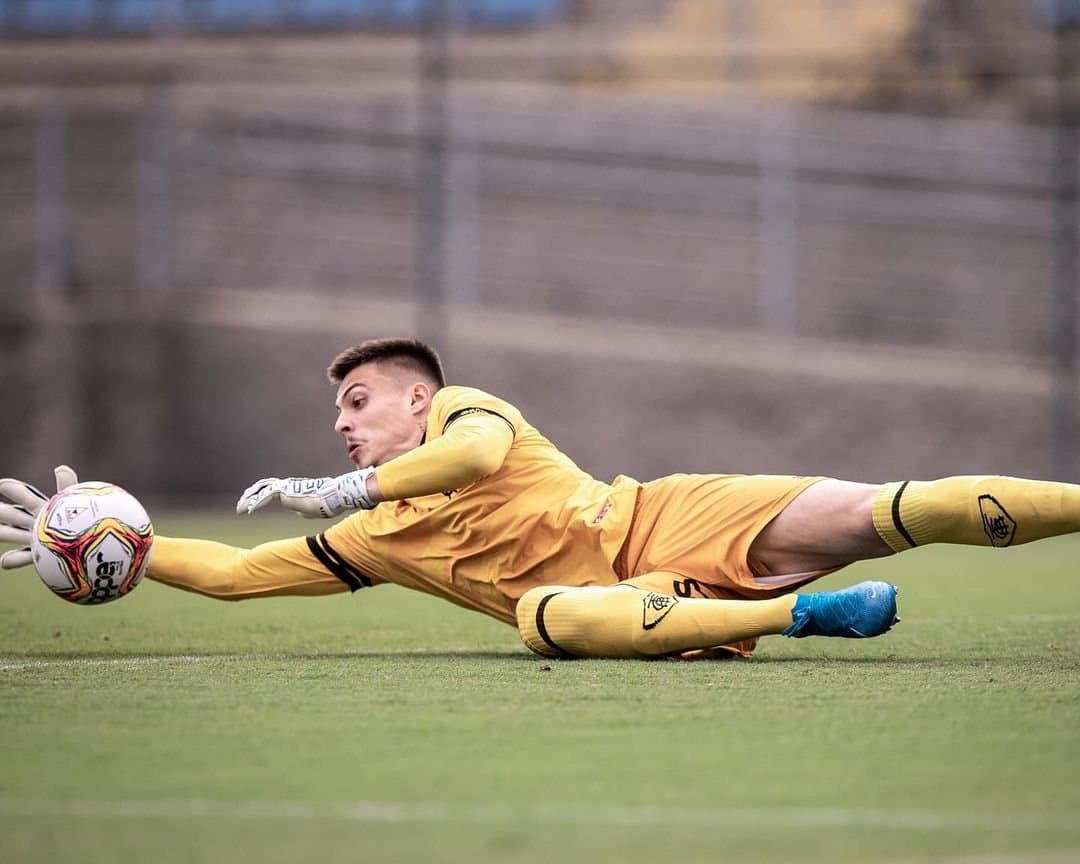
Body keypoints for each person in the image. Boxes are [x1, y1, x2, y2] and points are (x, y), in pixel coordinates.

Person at [1, 337, 1077, 660]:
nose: (343, 418)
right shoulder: (375, 539)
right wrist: (121, 540)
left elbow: (465, 464)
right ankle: (802, 617)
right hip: (635, 605)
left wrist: (344, 485)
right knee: (544, 618)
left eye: (362, 401)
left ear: (418, 398)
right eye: (338, 412)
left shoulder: (473, 413)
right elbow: (235, 575)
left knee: (896, 507)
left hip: (667, 518)